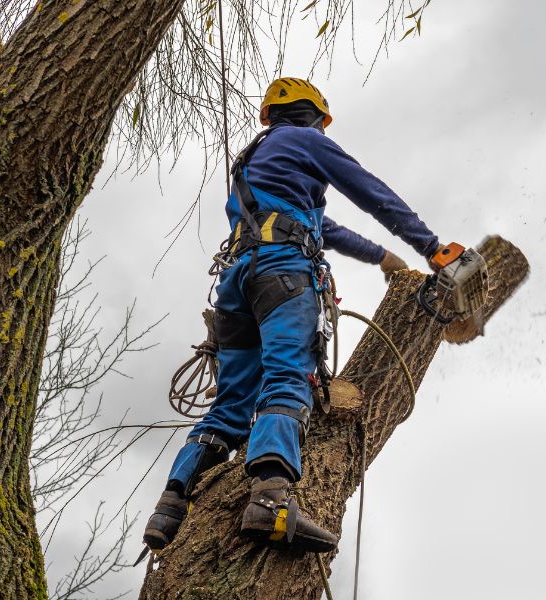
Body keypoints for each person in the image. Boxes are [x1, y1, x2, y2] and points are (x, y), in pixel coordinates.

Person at [142, 77, 440, 555]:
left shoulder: (256, 163)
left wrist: (383, 256)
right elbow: (369, 190)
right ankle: (271, 500)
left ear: (271, 116)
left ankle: (170, 507)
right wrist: (431, 247)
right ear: (317, 117)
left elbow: (327, 228)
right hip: (283, 274)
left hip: (237, 283)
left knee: (233, 401)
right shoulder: (307, 142)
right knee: (287, 376)